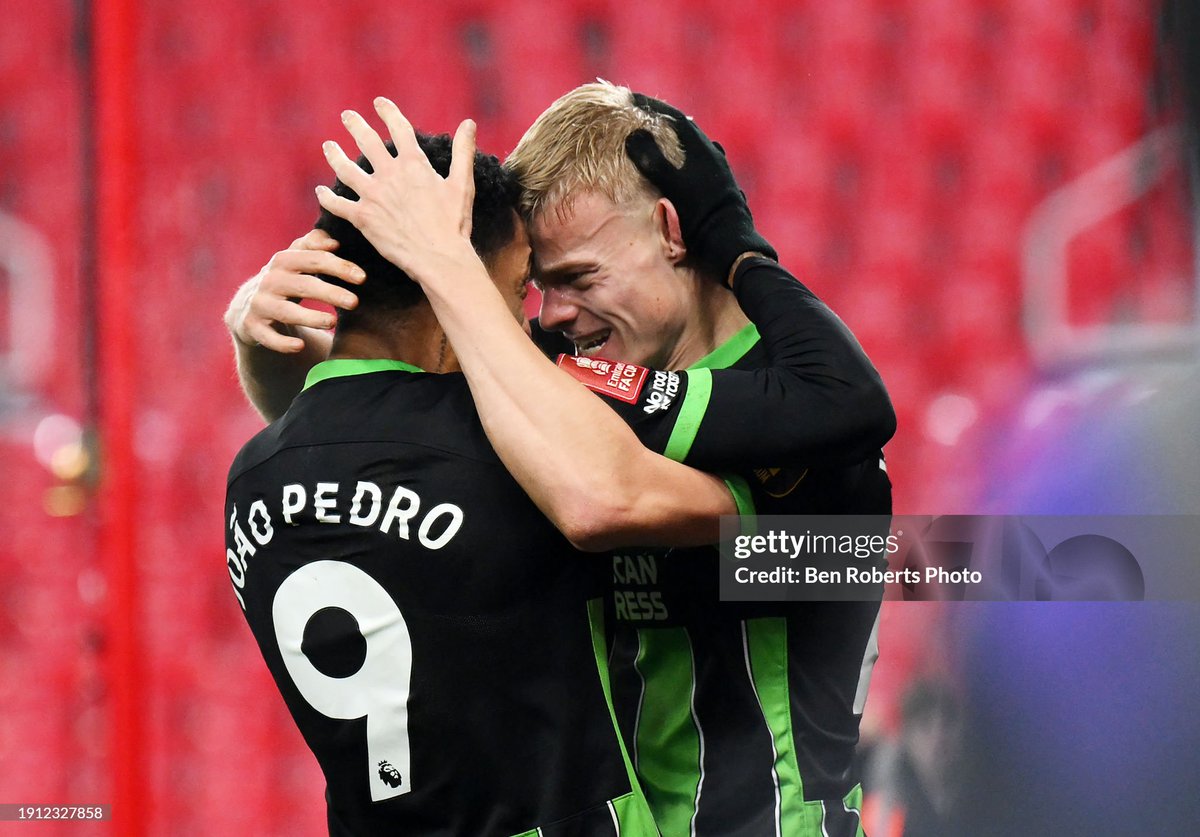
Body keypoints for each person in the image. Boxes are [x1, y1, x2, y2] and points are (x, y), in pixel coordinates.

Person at [233, 87, 895, 835]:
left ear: (673, 231)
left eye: (577, 279)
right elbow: (374, 425)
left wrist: (739, 251)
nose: (551, 316)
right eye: (536, 288)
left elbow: (604, 496)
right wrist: (265, 333)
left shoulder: (799, 430)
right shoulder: (577, 383)